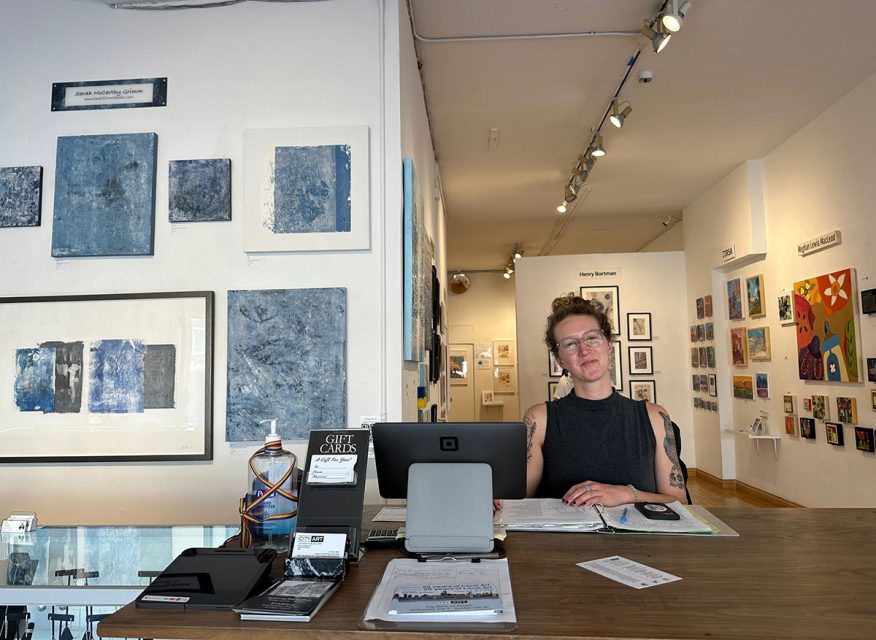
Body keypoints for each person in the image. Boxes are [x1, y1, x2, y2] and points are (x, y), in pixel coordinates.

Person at [523, 293, 687, 507]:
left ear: (608, 345)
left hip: (639, 540)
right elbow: (517, 500)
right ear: (560, 359)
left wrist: (627, 494)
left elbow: (679, 501)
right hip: (565, 540)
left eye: (592, 338)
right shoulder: (539, 419)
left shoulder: (655, 417)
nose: (584, 350)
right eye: (571, 344)